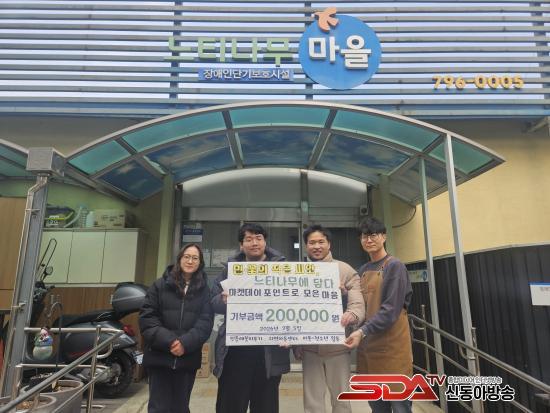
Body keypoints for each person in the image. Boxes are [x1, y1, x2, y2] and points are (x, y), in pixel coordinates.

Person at [211, 222, 290, 413]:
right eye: (248, 239)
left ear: (265, 242)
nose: (254, 243)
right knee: (230, 405)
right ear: (241, 245)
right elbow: (212, 302)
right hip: (234, 351)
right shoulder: (230, 269)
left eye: (258, 238)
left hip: (269, 353)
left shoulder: (283, 269)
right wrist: (223, 300)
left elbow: (295, 304)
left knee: (265, 406)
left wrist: (292, 334)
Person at [344, 217, 413, 413]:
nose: (368, 240)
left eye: (373, 235)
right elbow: (358, 305)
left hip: (393, 351)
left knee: (399, 406)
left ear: (384, 237)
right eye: (364, 236)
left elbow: (390, 311)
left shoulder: (394, 266)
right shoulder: (363, 270)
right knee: (377, 406)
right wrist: (343, 293)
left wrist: (361, 331)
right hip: (369, 350)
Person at [293, 225, 365, 413]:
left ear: (329, 244)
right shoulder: (296, 271)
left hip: (338, 347)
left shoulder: (345, 269)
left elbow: (357, 303)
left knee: (341, 400)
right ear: (306, 246)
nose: (316, 246)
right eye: (312, 243)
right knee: (312, 403)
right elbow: (291, 308)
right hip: (309, 348)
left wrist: (351, 313)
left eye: (321, 242)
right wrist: (295, 342)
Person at [139, 243, 214, 413]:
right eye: (186, 257)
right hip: (159, 357)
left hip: (187, 358)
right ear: (179, 259)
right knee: (158, 407)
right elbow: (147, 318)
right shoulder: (159, 285)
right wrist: (171, 342)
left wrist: (185, 343)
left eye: (195, 258)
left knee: (181, 407)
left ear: (200, 263)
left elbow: (205, 322)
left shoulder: (204, 290)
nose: (190, 261)